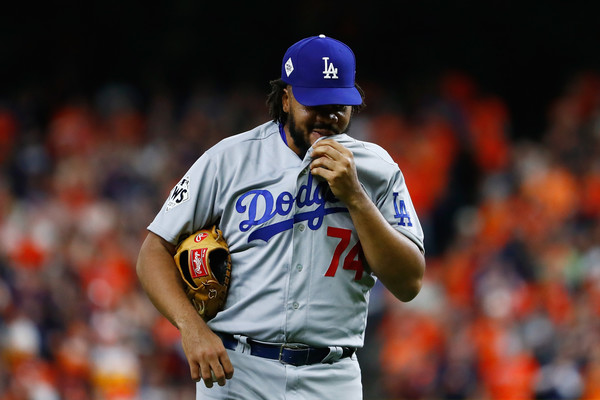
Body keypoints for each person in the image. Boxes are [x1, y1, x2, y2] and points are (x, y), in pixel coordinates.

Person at [136, 34, 426, 400]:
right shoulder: (229, 159)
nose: (329, 116)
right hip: (238, 371)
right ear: (286, 99)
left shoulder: (377, 169)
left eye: (339, 105)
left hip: (331, 376)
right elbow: (153, 252)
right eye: (316, 103)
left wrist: (355, 196)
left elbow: (408, 282)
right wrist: (191, 327)